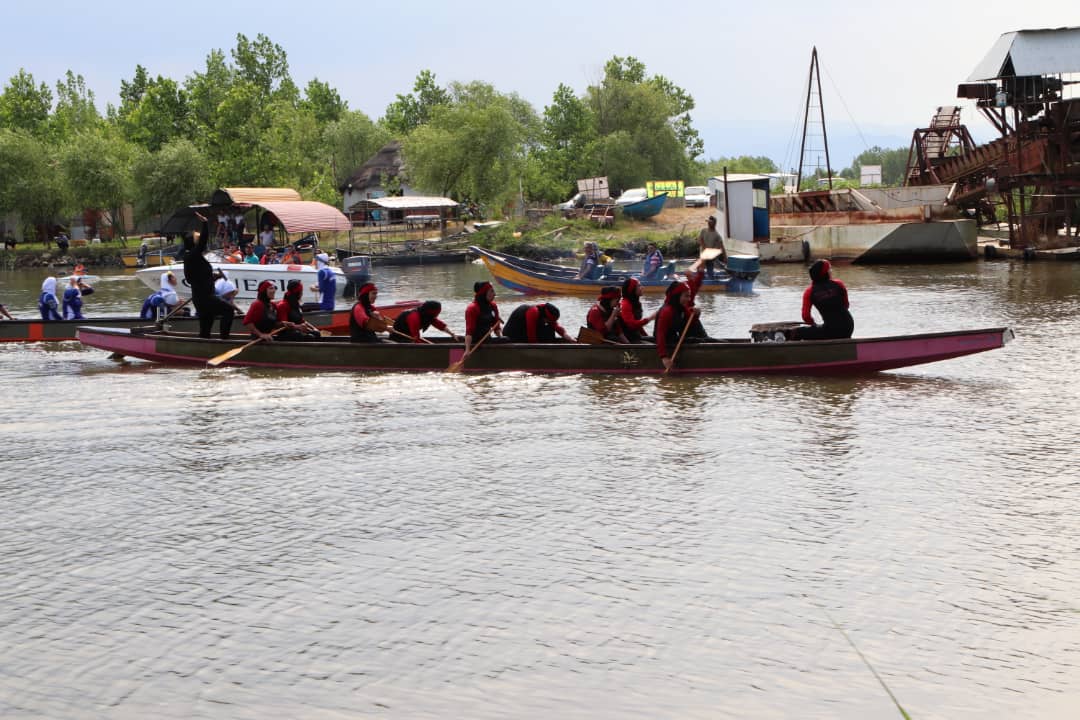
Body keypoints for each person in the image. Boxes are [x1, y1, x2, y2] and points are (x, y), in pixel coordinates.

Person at [183, 226, 235, 339]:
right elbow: (203, 240)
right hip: (204, 298)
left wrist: (216, 277)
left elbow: (201, 277)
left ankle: (205, 345)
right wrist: (205, 223)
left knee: (206, 326)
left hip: (202, 297)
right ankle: (224, 340)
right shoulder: (193, 255)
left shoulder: (194, 258)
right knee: (229, 310)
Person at [791, 259, 854, 340]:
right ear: (825, 273)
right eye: (829, 269)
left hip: (831, 331)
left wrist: (813, 325)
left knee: (798, 332)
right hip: (848, 327)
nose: (831, 271)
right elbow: (846, 305)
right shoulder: (839, 284)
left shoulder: (809, 292)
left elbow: (806, 316)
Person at [654, 280, 700, 371]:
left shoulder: (681, 308)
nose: (688, 299)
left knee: (700, 338)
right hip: (666, 342)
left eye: (689, 296)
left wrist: (697, 314)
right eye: (686, 296)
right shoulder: (666, 311)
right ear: (677, 296)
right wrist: (664, 357)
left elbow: (691, 323)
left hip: (675, 339)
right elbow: (660, 334)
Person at [391, 300, 460, 343]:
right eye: (437, 312)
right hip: (399, 339)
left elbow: (440, 325)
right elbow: (416, 337)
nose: (438, 314)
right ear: (431, 311)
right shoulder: (414, 317)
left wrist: (452, 334)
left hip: (410, 337)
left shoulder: (428, 316)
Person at [503, 302, 575, 343]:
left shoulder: (545, 312)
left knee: (550, 329)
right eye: (549, 321)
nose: (549, 322)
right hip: (512, 336)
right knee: (548, 331)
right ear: (546, 317)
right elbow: (531, 336)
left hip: (523, 333)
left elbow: (556, 326)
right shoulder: (533, 312)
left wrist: (567, 336)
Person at [463, 281, 502, 353]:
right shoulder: (472, 308)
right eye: (491, 291)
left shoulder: (493, 306)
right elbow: (469, 331)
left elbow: (496, 328)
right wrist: (467, 350)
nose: (494, 294)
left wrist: (501, 339)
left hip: (487, 340)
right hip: (474, 342)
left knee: (507, 339)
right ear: (483, 293)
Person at [619, 277, 656, 343]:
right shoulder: (625, 304)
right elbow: (632, 324)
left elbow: (638, 326)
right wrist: (649, 318)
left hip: (636, 335)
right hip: (628, 338)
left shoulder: (636, 303)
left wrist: (647, 336)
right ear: (632, 289)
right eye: (639, 286)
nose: (642, 288)